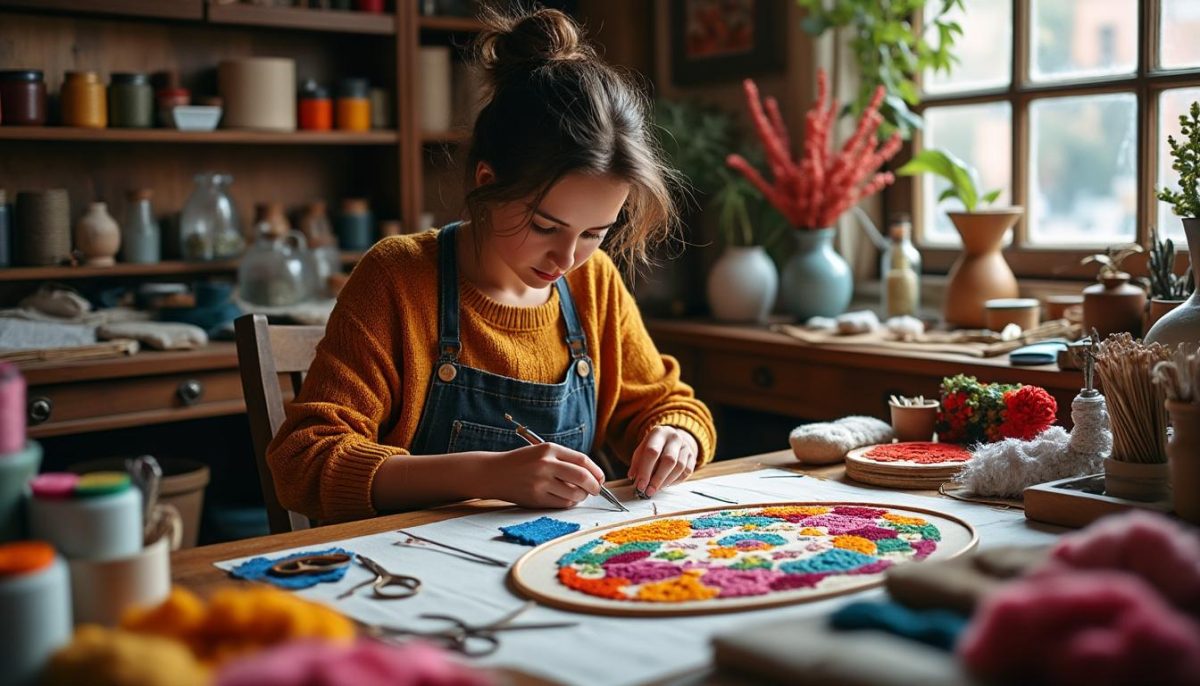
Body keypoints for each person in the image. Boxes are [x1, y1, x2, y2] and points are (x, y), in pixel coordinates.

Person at [267, 6, 716, 523]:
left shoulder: (593, 283)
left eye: (595, 233)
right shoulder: (399, 277)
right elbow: (301, 462)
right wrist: (484, 475)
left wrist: (676, 436)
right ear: (486, 181)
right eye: (547, 226)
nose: (567, 258)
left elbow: (667, 404)